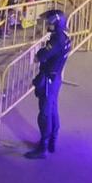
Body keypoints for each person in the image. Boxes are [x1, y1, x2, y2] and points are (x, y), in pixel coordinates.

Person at [27, 9, 70, 157]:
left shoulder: (56, 40)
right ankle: (52, 140)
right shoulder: (64, 37)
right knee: (53, 109)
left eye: (50, 23)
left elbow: (41, 56)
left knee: (44, 113)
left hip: (48, 79)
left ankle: (43, 147)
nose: (47, 25)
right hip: (55, 77)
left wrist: (39, 53)